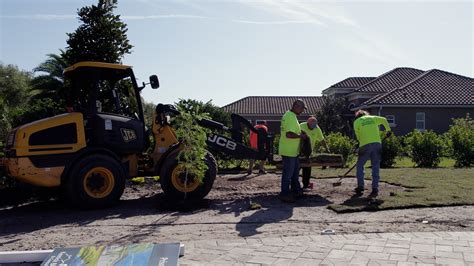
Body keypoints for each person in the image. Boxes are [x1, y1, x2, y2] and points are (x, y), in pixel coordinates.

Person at [353, 110, 392, 197]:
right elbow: (384, 120)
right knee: (375, 166)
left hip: (364, 145)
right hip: (377, 144)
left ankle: (361, 186)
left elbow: (358, 136)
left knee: (360, 165)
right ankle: (375, 188)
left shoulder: (356, 122)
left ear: (357, 116)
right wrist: (388, 130)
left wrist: (361, 143)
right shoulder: (373, 118)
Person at [278, 99, 308, 203]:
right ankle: (284, 194)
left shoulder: (291, 116)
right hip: (289, 151)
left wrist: (300, 132)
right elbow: (289, 134)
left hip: (293, 151)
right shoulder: (290, 117)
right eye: (302, 109)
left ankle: (296, 191)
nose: (302, 111)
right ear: (296, 106)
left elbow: (292, 131)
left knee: (295, 173)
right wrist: (301, 136)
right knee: (288, 174)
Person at [299, 116, 330, 191]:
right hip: (298, 151)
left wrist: (327, 149)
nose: (313, 127)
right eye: (312, 126)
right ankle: (294, 185)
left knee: (307, 168)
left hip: (308, 152)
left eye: (314, 126)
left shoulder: (316, 128)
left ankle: (305, 185)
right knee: (296, 169)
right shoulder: (301, 126)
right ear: (308, 123)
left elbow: (322, 140)